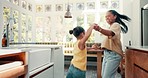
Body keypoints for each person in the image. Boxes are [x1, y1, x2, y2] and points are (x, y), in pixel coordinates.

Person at [94, 10, 131, 78]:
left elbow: (111, 33)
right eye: (105, 17)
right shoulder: (111, 27)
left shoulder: (116, 25)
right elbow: (109, 42)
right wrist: (100, 47)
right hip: (107, 54)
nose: (107, 18)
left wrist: (99, 29)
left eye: (108, 16)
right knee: (104, 76)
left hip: (113, 54)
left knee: (106, 76)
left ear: (115, 16)